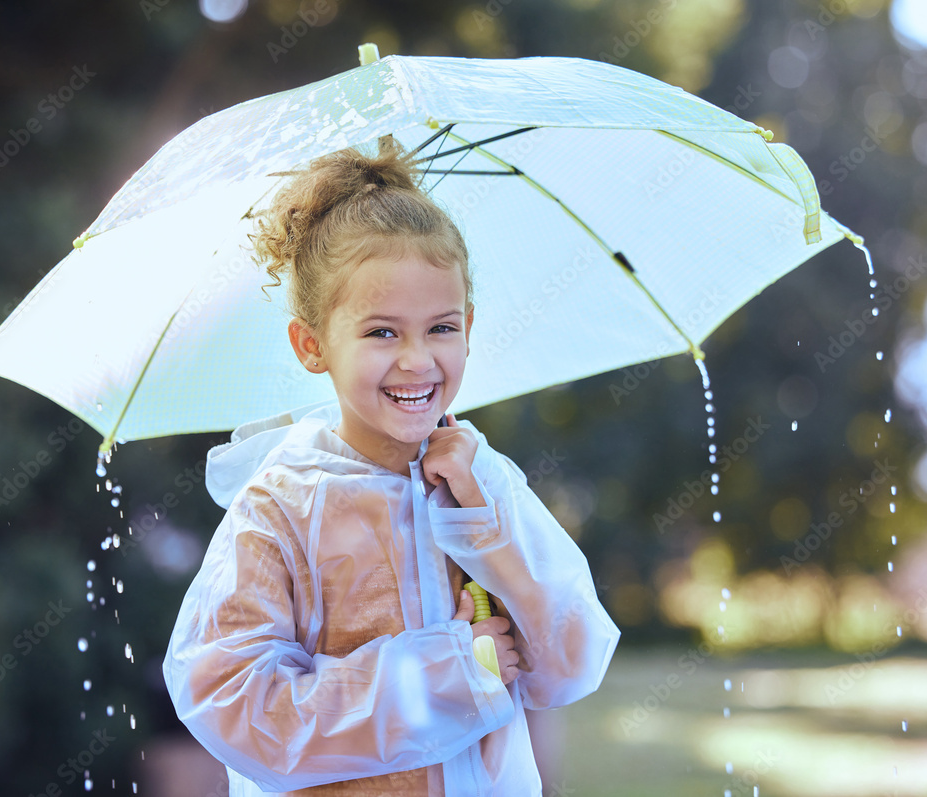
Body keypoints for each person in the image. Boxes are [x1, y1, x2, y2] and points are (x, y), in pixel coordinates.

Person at [163, 141, 620, 796]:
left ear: (468, 324)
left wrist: (485, 531)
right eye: (382, 332)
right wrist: (448, 676)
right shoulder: (279, 509)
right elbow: (235, 703)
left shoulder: (482, 478)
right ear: (312, 343)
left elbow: (571, 663)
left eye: (440, 328)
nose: (416, 361)